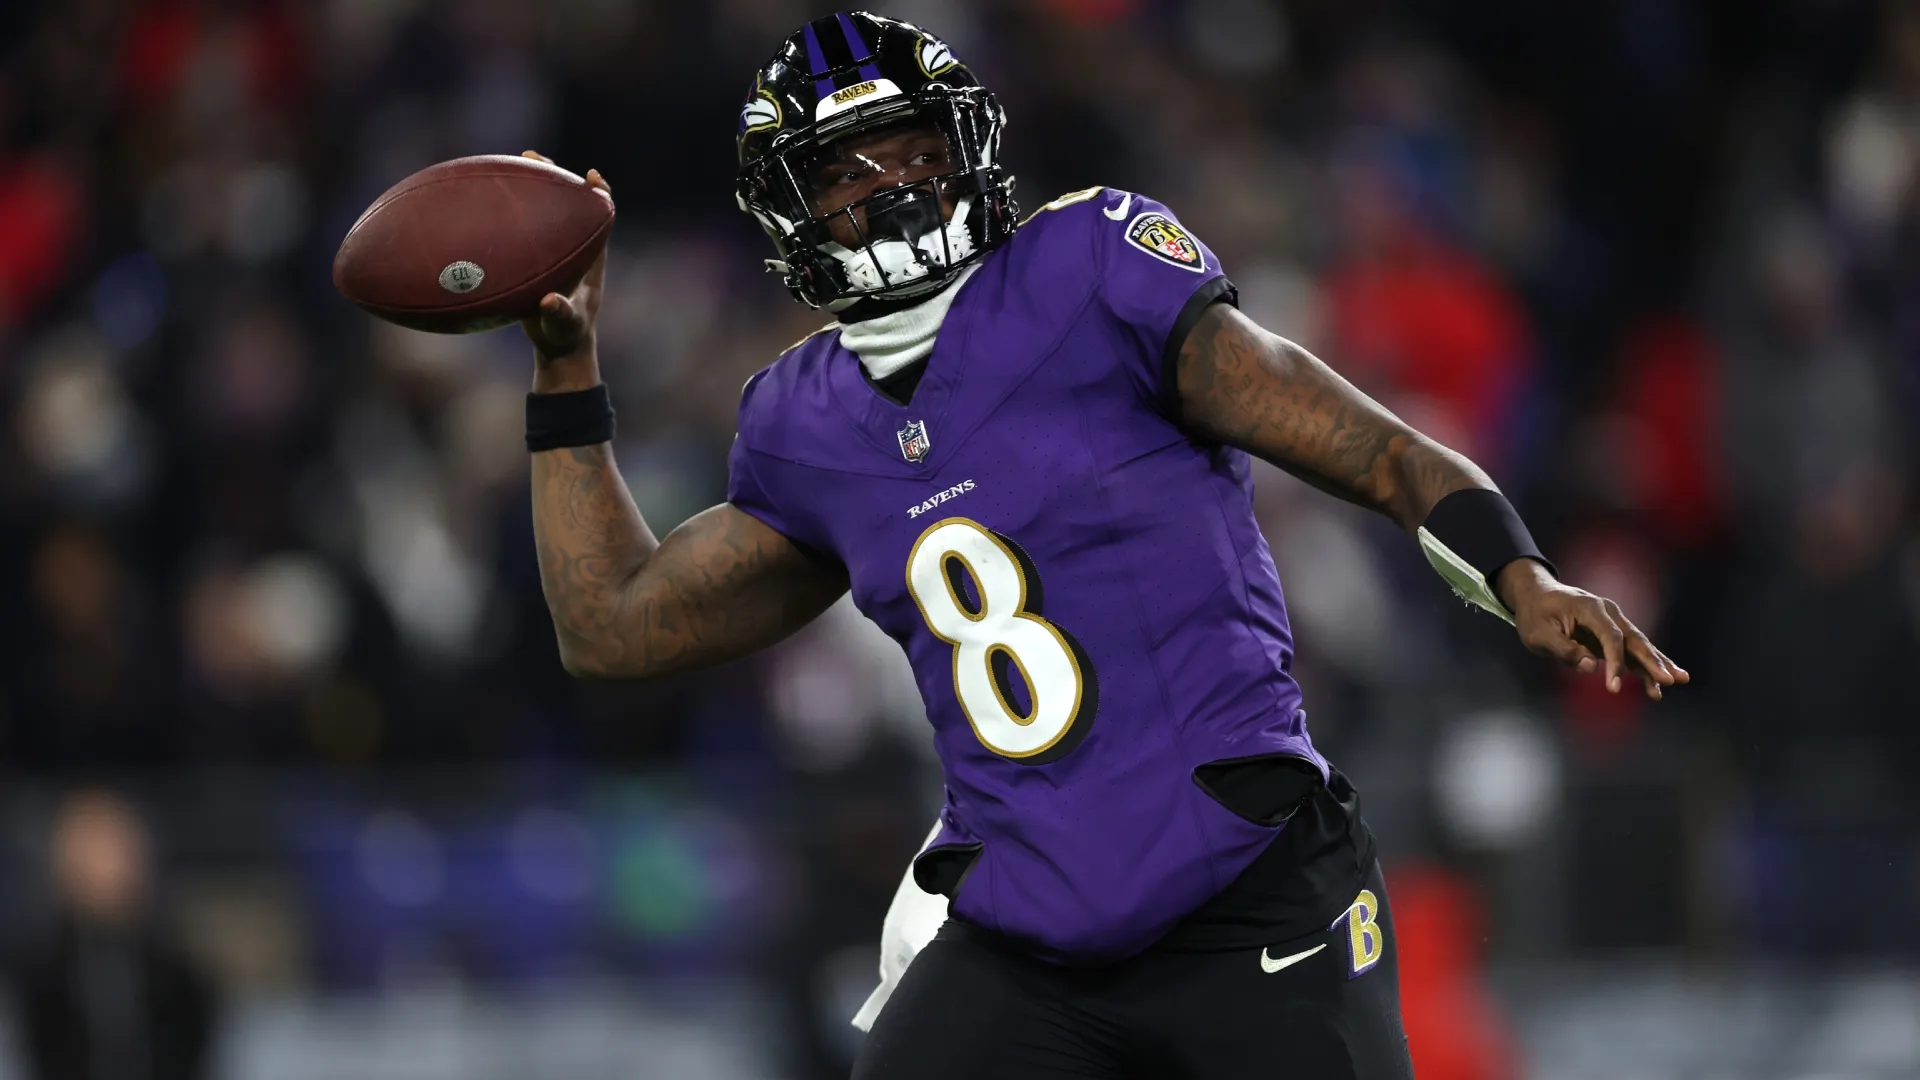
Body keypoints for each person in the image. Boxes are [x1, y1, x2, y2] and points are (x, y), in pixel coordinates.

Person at [513, 12, 1686, 1078]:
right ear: (788, 208)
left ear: (971, 145)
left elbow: (1378, 450)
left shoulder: (1090, 271)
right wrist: (568, 373)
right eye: (850, 172)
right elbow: (613, 628)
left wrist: (1517, 572)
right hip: (1028, 940)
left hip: (1246, 897)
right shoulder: (800, 424)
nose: (903, 187)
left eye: (920, 149)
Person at [12, 789, 219, 1080]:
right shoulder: (36, 971)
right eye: (87, 847)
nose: (103, 863)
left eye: (112, 846)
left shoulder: (179, 968)